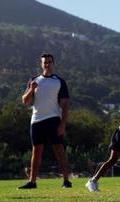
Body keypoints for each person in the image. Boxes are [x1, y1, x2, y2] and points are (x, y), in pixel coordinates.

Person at [19, 53, 71, 189]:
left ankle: (66, 181)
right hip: (36, 121)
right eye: (45, 62)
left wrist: (63, 124)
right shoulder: (34, 80)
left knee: (59, 151)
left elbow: (65, 105)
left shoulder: (60, 82)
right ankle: (32, 182)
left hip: (54, 120)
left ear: (54, 64)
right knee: (36, 152)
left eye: (49, 62)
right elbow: (25, 101)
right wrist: (31, 89)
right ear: (41, 64)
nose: (47, 64)